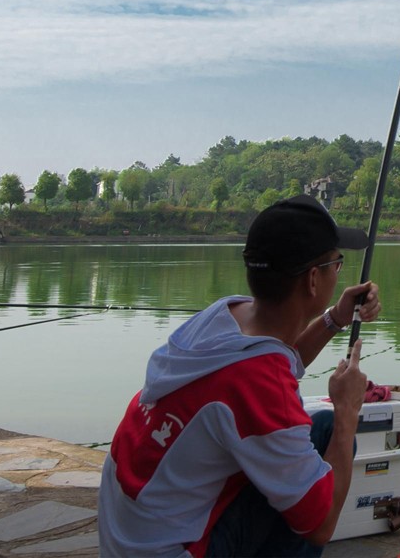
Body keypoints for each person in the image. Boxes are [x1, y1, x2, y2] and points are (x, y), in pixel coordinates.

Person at [98, 195, 382, 558]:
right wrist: (348, 412)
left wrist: (335, 318)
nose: (337, 272)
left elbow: (280, 359)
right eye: (336, 264)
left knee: (319, 429)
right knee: (332, 436)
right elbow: (320, 524)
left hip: (128, 533)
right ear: (314, 279)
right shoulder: (257, 381)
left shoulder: (224, 315)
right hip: (169, 550)